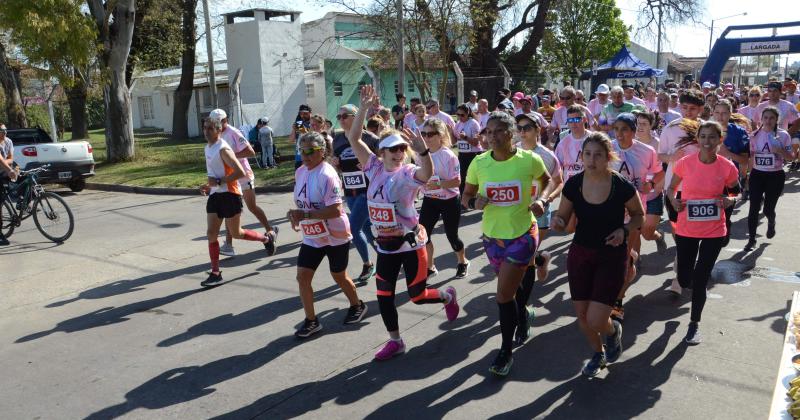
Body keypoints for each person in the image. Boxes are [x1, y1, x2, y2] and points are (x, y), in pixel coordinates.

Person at [349, 85, 460, 361]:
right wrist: (363, 109)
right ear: (382, 152)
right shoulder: (373, 167)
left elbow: (427, 172)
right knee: (384, 296)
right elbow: (353, 138)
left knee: (417, 296)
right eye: (392, 150)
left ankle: (447, 296)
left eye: (401, 149)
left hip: (411, 245)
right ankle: (395, 341)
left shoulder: (408, 173)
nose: (398, 153)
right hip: (386, 247)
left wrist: (423, 152)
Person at [462, 111, 554, 376]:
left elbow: (547, 180)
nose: (492, 136)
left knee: (504, 295)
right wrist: (472, 202)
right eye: (488, 131)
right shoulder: (479, 163)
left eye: (499, 130)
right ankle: (524, 314)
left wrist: (543, 200)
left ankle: (505, 351)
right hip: (492, 238)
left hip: (523, 234)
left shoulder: (529, 160)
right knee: (517, 286)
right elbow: (465, 195)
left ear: (512, 133)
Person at [551, 132, 643, 376]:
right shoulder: (574, 183)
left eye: (598, 155)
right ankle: (598, 353)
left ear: (608, 157)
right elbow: (563, 216)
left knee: (596, 319)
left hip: (611, 256)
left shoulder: (620, 184)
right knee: (582, 316)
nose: (591, 160)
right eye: (587, 154)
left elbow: (639, 216)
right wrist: (558, 222)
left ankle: (613, 332)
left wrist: (624, 230)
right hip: (580, 253)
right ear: (581, 156)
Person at [288, 131, 367, 338]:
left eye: (310, 151)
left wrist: (304, 214)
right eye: (301, 150)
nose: (304, 155)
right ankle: (311, 321)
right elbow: (302, 202)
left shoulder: (327, 174)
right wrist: (295, 215)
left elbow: (335, 210)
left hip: (335, 234)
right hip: (313, 235)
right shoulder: (301, 172)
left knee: (339, 275)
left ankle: (357, 305)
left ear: (321, 152)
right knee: (302, 277)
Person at [666, 121, 739, 344]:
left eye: (712, 137)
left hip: (714, 230)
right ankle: (684, 280)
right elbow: (671, 188)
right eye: (703, 137)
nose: (707, 142)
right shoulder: (685, 163)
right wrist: (674, 201)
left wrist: (729, 200)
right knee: (685, 278)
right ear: (697, 139)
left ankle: (694, 324)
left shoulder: (727, 166)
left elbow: (737, 192)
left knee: (700, 279)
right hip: (687, 227)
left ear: (720, 140)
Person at [200, 117, 273, 287]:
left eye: (210, 128)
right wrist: (209, 186)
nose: (206, 131)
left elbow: (240, 172)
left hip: (231, 194)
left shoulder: (223, 148)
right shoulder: (207, 147)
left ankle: (266, 239)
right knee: (211, 234)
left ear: (219, 130)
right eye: (205, 128)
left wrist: (218, 182)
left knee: (237, 233)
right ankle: (215, 273)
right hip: (216, 195)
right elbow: (214, 174)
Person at [609, 113, 666, 322]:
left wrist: (650, 185)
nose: (620, 134)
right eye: (617, 129)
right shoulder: (607, 148)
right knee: (608, 258)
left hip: (633, 214)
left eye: (625, 129)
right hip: (607, 213)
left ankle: (618, 301)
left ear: (634, 131)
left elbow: (659, 174)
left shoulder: (647, 151)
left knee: (622, 261)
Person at [515, 112, 563, 344]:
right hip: (513, 214)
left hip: (538, 214)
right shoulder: (511, 152)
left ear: (537, 130)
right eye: (519, 128)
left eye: (527, 127)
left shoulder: (547, 155)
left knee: (526, 258)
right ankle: (542, 259)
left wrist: (546, 199)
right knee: (526, 259)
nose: (522, 132)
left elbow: (559, 181)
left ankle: (523, 310)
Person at [209, 109, 278, 258]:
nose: (220, 124)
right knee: (229, 210)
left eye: (221, 121)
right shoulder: (215, 134)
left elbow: (250, 152)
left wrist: (229, 157)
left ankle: (270, 230)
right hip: (230, 178)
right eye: (216, 122)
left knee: (251, 207)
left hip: (243, 175)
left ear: (226, 119)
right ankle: (228, 245)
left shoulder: (233, 132)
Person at [659, 89, 704, 295]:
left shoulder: (706, 129)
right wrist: (672, 157)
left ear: (701, 109)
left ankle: (680, 273)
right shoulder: (670, 128)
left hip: (700, 190)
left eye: (693, 108)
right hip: (674, 189)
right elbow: (661, 155)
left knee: (693, 232)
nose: (688, 112)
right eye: (684, 107)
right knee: (678, 231)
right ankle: (682, 261)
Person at [331, 104, 379, 282]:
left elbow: (385, 160)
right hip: (350, 190)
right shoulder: (337, 139)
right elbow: (337, 164)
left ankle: (368, 265)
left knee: (352, 227)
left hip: (368, 191)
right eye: (339, 117)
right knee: (366, 228)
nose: (341, 120)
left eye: (345, 116)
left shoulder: (370, 138)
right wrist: (335, 163)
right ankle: (390, 256)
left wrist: (371, 163)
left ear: (356, 117)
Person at [417, 118, 470, 279]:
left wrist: (438, 184)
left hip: (449, 200)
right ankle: (430, 266)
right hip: (430, 200)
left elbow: (457, 181)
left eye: (430, 134)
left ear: (440, 135)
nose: (426, 138)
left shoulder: (448, 155)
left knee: (452, 236)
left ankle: (463, 262)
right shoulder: (421, 155)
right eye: (423, 134)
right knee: (423, 235)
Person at [745, 106, 796, 251]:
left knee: (768, 209)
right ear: (761, 119)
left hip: (775, 176)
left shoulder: (783, 135)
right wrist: (748, 175)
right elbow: (751, 157)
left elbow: (792, 157)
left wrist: (779, 150)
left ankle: (771, 221)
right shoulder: (754, 135)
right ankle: (751, 239)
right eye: (765, 117)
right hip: (757, 174)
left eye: (771, 118)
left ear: (776, 120)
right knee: (753, 208)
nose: (768, 121)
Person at [712, 100, 749, 246]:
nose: (720, 117)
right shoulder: (705, 129)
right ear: (713, 113)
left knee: (725, 212)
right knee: (711, 213)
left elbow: (745, 160)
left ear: (730, 114)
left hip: (730, 181)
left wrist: (728, 153)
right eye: (717, 113)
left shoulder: (739, 132)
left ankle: (726, 224)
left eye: (724, 113)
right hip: (707, 180)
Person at [454, 103, 483, 197]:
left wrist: (465, 137)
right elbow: (454, 141)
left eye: (462, 115)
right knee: (461, 176)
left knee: (474, 177)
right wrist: (450, 131)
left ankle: (475, 195)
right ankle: (463, 198)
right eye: (458, 115)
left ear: (468, 113)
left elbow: (476, 142)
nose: (459, 117)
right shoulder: (458, 124)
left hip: (473, 153)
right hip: (462, 153)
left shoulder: (473, 123)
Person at [0, 124, 16, 246]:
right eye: (1, 131)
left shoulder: (8, 141)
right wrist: (8, 169)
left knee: (24, 177)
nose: (4, 133)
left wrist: (8, 168)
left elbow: (11, 158)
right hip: (3, 171)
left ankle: (24, 202)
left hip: (4, 170)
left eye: (5, 130)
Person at [290, 105, 312, 169]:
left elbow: (315, 139)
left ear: (310, 113)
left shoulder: (313, 123)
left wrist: (304, 131)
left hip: (310, 154)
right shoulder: (299, 123)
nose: (303, 115)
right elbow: (291, 140)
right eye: (301, 113)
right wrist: (294, 129)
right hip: (299, 156)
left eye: (305, 113)